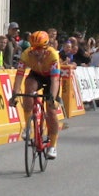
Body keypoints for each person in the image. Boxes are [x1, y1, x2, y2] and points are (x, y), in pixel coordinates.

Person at [9, 31, 61, 159]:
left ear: (46, 47)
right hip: (36, 75)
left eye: (40, 48)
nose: (36, 52)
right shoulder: (27, 54)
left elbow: (55, 80)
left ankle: (53, 146)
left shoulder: (53, 56)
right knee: (28, 89)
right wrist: (15, 93)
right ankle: (28, 126)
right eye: (34, 48)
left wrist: (52, 99)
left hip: (50, 78)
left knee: (51, 111)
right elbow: (19, 75)